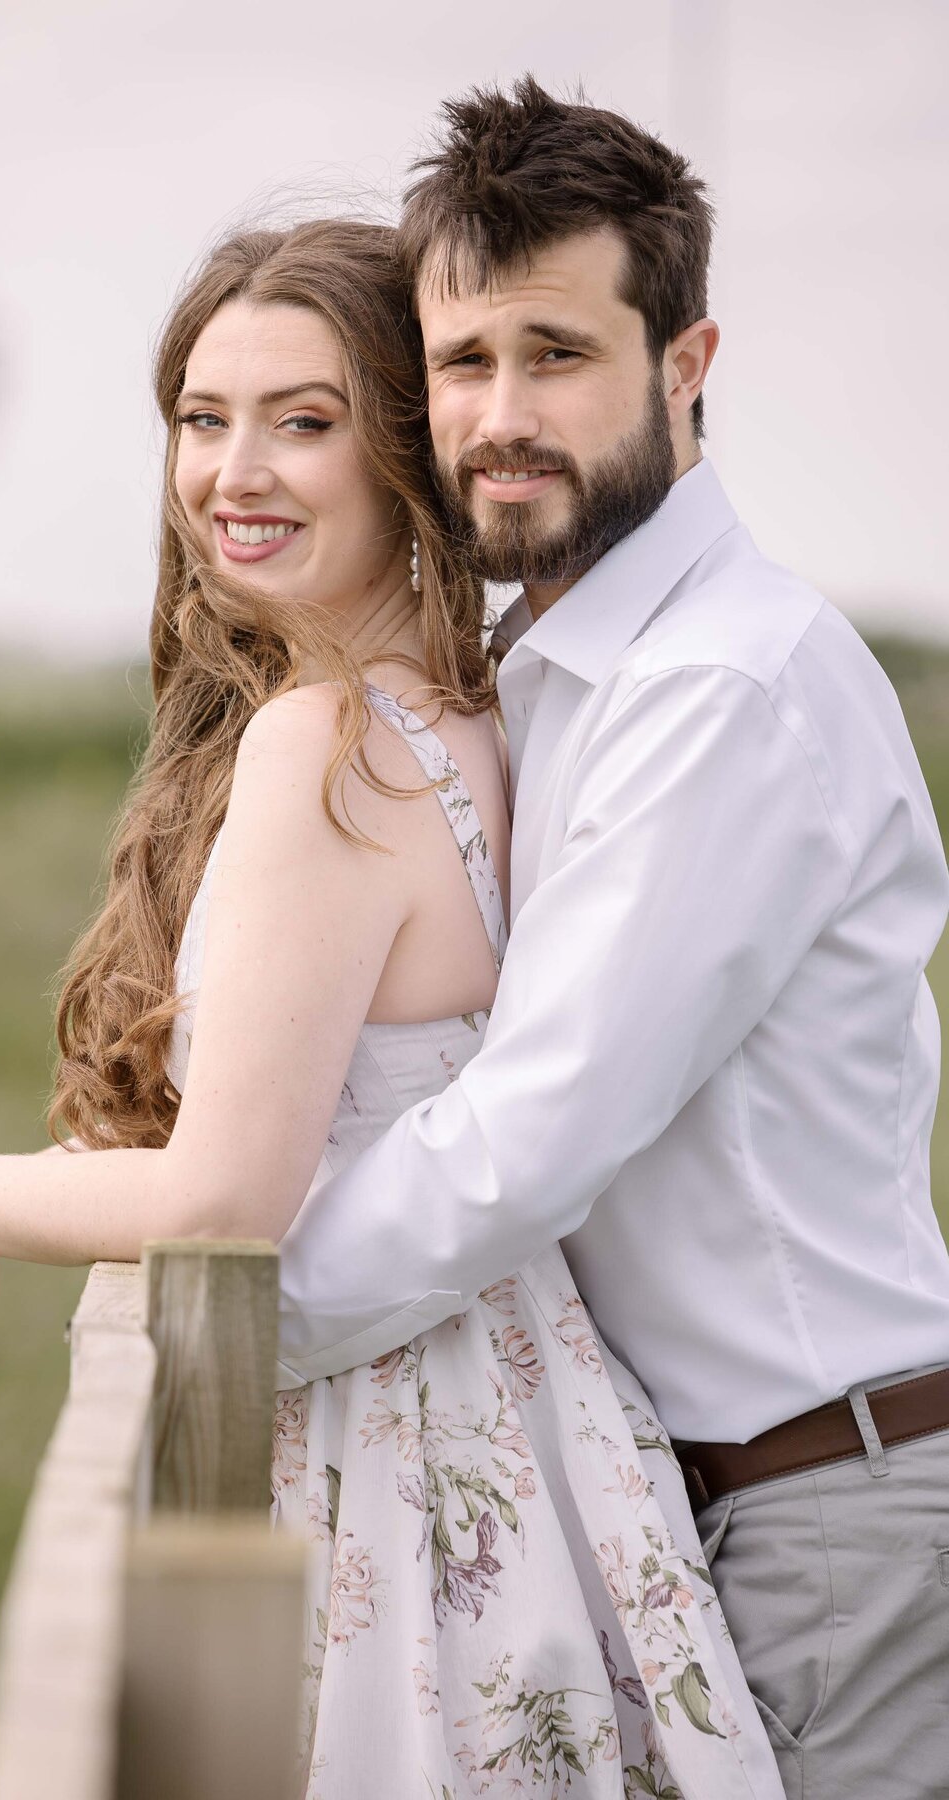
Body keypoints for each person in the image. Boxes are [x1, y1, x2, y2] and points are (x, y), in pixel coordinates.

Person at [0, 219, 785, 1799]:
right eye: (203, 417)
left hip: (389, 1468)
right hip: (528, 1439)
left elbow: (226, 1193)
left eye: (302, 422)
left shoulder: (325, 747)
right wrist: (16, 1197)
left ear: (403, 448)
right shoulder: (464, 712)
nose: (234, 472)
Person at [264, 81, 949, 1800]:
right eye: (462, 361)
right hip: (677, 1498)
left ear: (687, 361)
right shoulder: (553, 674)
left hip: (829, 1515)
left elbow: (524, 1141)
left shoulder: (722, 686)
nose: (500, 416)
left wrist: (219, 1299)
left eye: (557, 354)